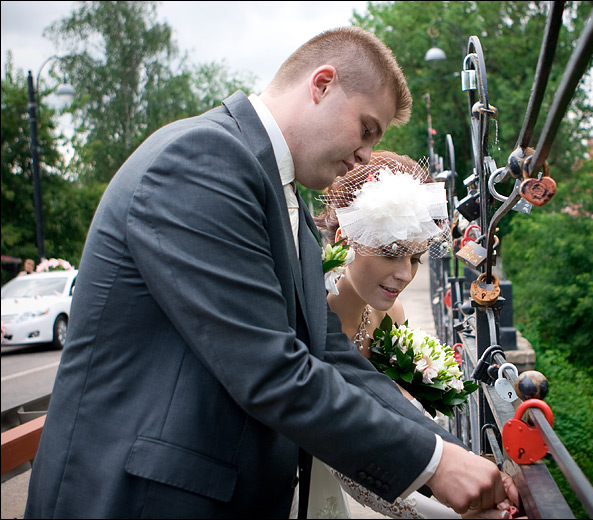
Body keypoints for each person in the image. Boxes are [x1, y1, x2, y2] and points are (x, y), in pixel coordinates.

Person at [24, 26, 517, 518]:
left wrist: (456, 456)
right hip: (141, 500)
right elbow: (269, 367)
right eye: (366, 128)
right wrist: (434, 466)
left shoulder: (285, 200)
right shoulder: (202, 157)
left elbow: (331, 355)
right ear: (321, 85)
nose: (367, 153)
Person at [308, 151, 515, 519]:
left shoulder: (391, 314)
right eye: (391, 252)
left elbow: (395, 408)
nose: (405, 274)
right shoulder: (310, 314)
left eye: (416, 258)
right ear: (345, 238)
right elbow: (351, 459)